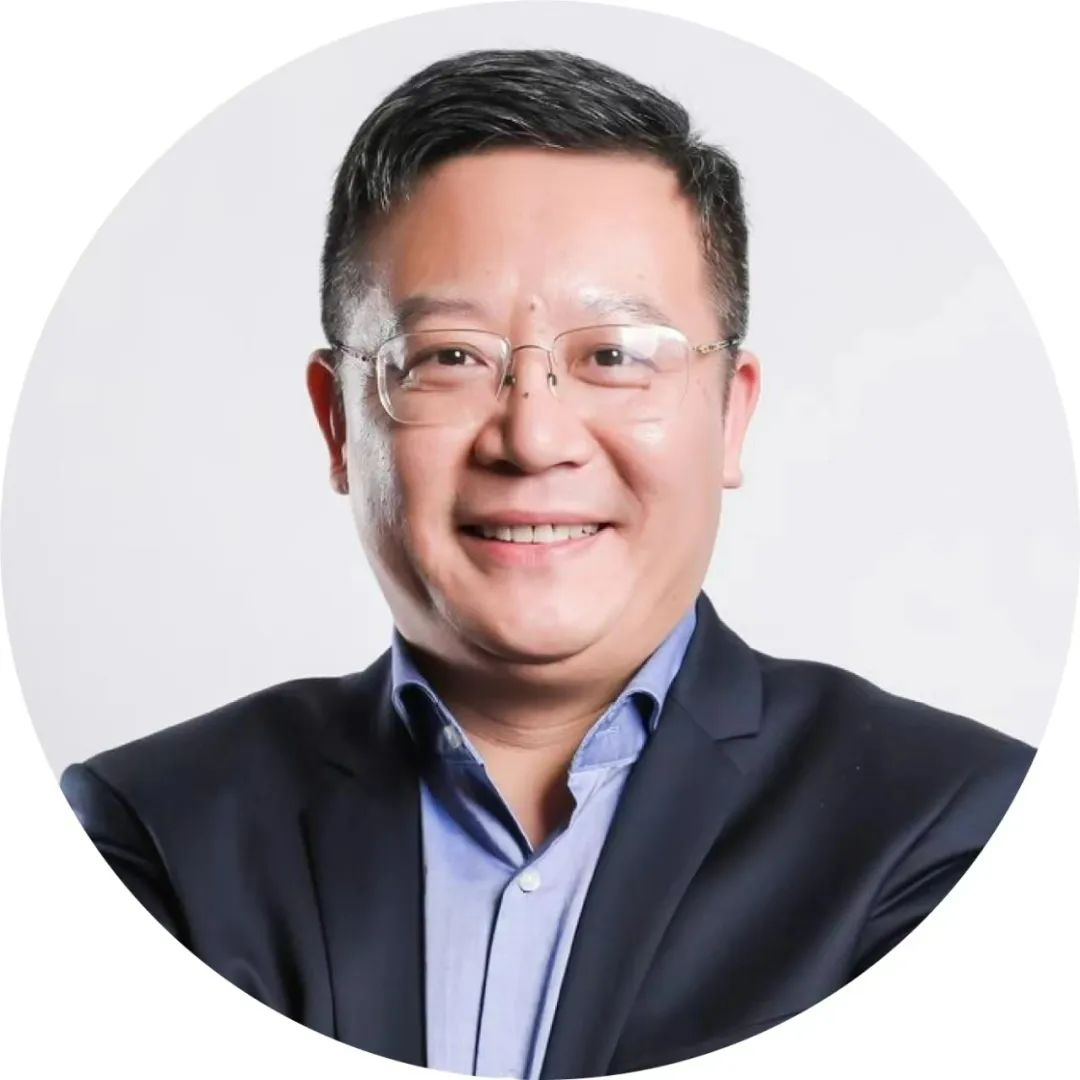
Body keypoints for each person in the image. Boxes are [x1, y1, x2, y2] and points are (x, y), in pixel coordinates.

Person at [60, 49, 1035, 1078]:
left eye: (614, 355)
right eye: (449, 357)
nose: (533, 438)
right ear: (337, 423)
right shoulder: (156, 838)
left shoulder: (960, 829)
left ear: (730, 414)